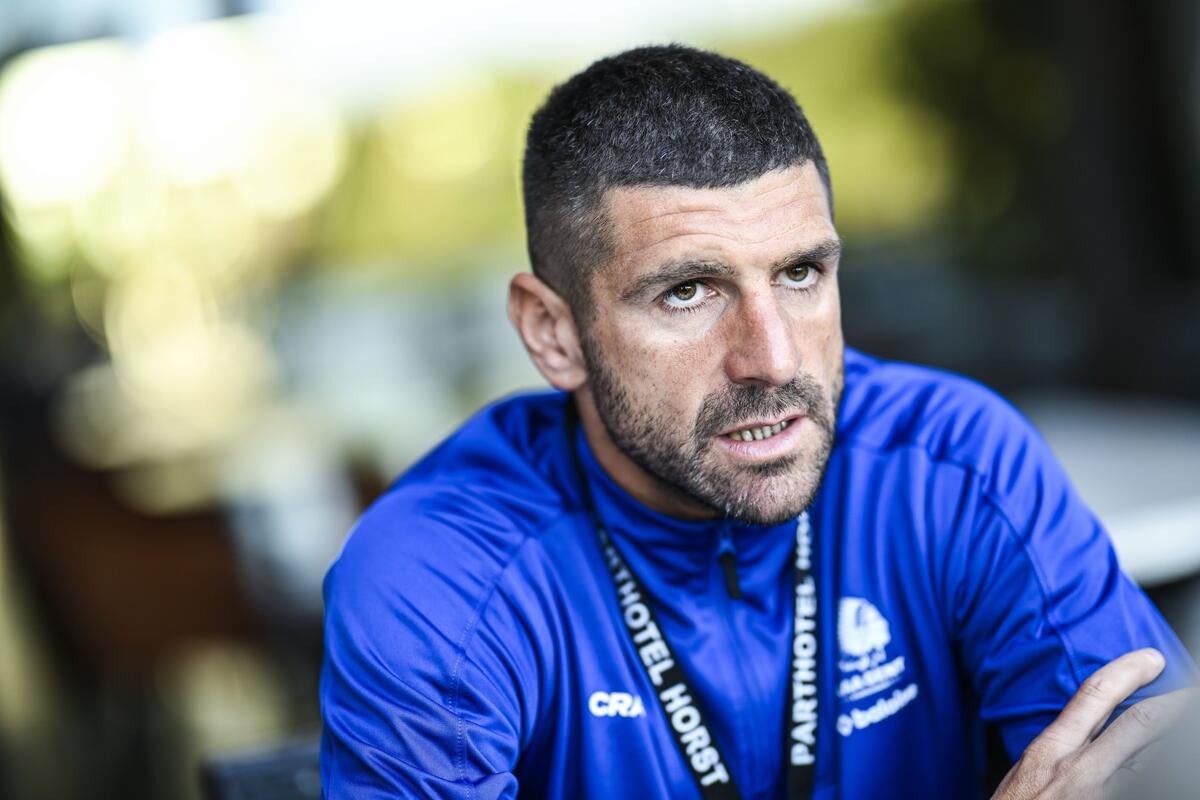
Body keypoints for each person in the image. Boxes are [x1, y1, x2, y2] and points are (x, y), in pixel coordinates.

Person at [318, 45, 1194, 799]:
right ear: (555, 332)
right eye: (687, 292)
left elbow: (1156, 769)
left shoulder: (951, 464)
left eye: (801, 273)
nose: (772, 360)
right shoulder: (439, 576)